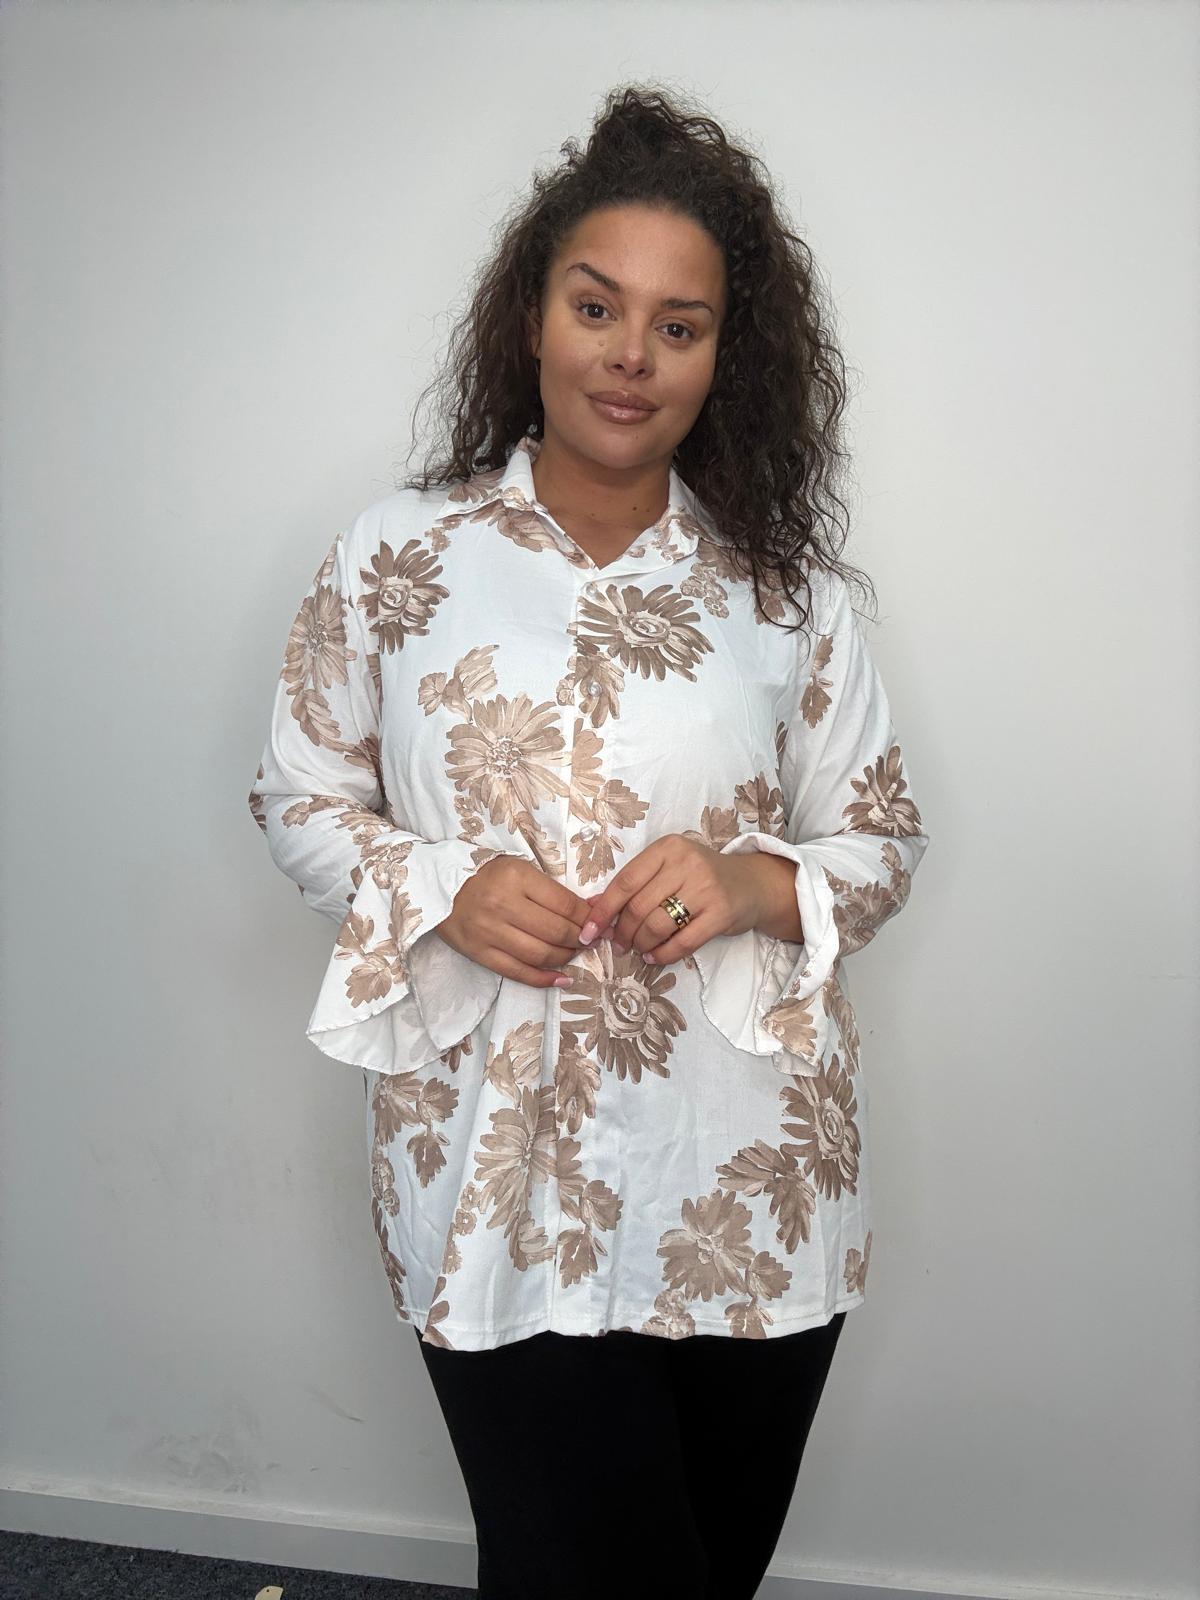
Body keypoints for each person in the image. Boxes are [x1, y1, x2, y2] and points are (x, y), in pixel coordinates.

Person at [248, 83, 930, 1600]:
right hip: (497, 1180)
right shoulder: (397, 558)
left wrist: (757, 880)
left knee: (699, 1575)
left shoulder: (786, 597)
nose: (631, 355)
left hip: (747, 1180)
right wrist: (442, 888)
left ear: (725, 356)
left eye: (679, 326)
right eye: (597, 306)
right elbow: (296, 798)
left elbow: (883, 838)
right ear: (533, 316)